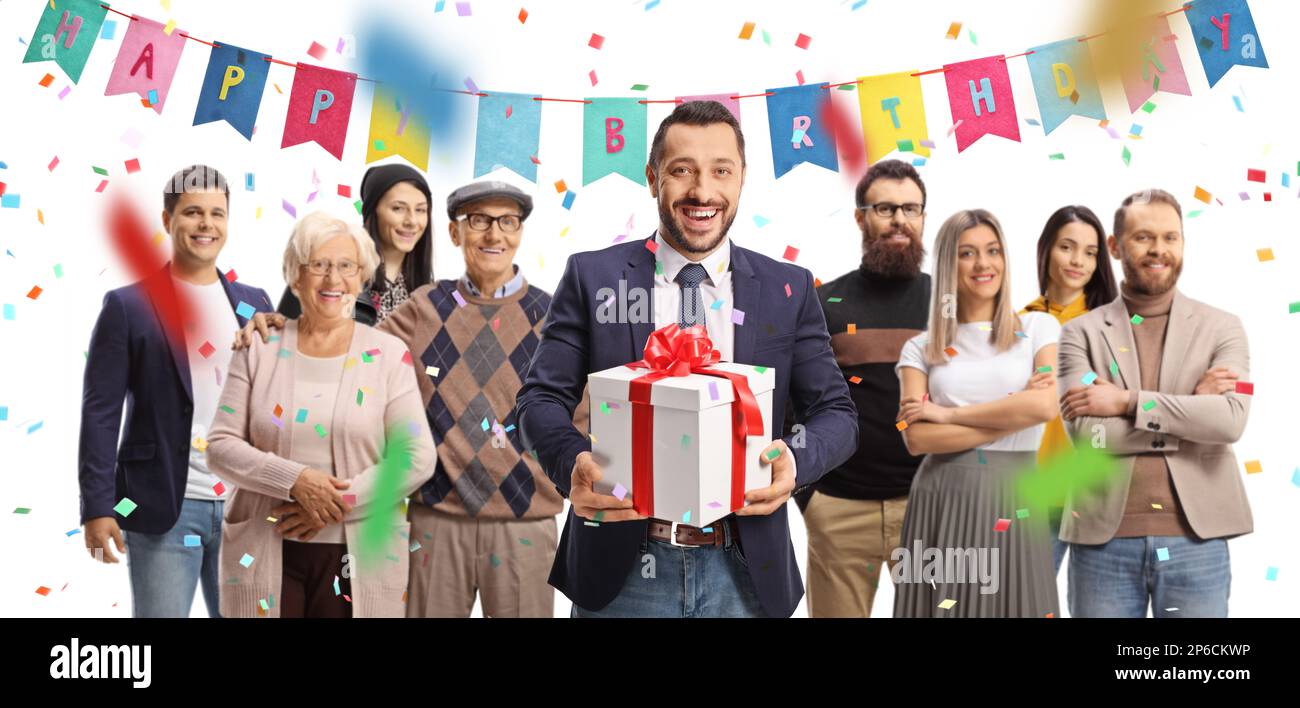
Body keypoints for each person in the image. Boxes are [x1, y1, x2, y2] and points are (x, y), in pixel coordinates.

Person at [514, 100, 859, 618]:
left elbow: (837, 413)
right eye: (682, 171)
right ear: (653, 178)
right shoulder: (594, 277)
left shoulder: (789, 287)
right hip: (621, 568)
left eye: (721, 170)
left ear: (742, 179)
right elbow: (540, 398)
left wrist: (795, 460)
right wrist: (573, 465)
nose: (703, 191)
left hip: (744, 570)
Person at [237, 181, 581, 618]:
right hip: (436, 521)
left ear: (519, 233)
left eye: (507, 222)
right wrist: (281, 325)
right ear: (455, 234)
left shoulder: (551, 316)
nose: (494, 235)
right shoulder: (426, 307)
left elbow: (578, 415)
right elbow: (345, 353)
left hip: (525, 525)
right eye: (479, 221)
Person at [206, 211, 436, 618]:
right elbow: (221, 448)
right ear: (296, 276)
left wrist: (335, 502)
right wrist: (296, 482)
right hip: (264, 551)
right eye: (319, 265)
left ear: (362, 276)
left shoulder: (388, 355)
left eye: (346, 266)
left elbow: (416, 456)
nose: (333, 280)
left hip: (359, 555)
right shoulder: (258, 346)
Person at [78, 164, 274, 617]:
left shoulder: (256, 303)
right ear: (168, 221)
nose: (206, 225)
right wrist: (97, 506)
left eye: (217, 214)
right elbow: (100, 413)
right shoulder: (127, 306)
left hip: (244, 509)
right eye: (192, 213)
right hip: (162, 504)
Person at [1057, 189, 1251, 618]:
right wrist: (1189, 412)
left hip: (1198, 542)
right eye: (1144, 237)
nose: (1159, 249)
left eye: (1171, 237)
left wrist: (1126, 400)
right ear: (1115, 246)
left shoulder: (1224, 328)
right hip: (1102, 544)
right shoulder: (1080, 334)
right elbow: (1089, 435)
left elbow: (1230, 422)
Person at [894, 209, 1060, 618]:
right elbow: (915, 438)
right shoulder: (920, 347)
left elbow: (1043, 405)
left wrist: (949, 417)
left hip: (1018, 496)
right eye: (968, 253)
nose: (984, 264)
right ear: (949, 263)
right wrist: (1012, 414)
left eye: (993, 251)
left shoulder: (1039, 328)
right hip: (943, 495)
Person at [795, 159, 929, 617]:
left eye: (911, 209)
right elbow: (792, 404)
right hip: (839, 511)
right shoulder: (822, 302)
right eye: (885, 208)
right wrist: (809, 497)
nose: (899, 221)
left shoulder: (951, 302)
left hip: (930, 509)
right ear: (860, 217)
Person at [1020, 205, 1118, 574]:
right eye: (1067, 247)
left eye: (1090, 253)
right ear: (1046, 249)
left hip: (1101, 485)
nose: (1078, 260)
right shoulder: (1021, 321)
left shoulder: (1117, 321)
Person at [277, 164, 433, 325]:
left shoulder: (429, 291)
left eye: (421, 210)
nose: (412, 221)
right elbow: (280, 333)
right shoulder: (326, 268)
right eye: (398, 208)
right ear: (372, 212)